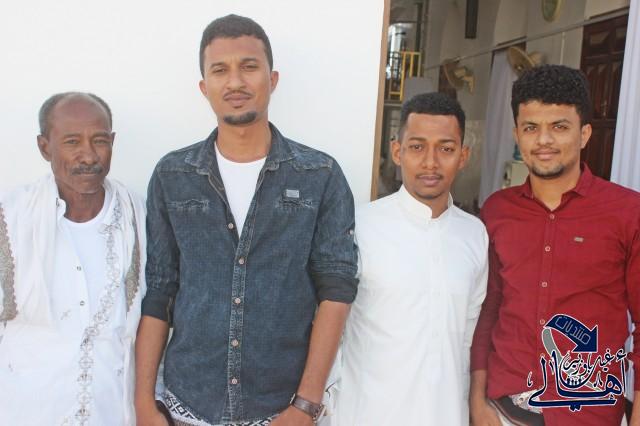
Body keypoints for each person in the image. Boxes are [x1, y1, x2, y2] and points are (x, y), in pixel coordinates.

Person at [134, 14, 358, 426]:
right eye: (220, 70)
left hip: (282, 410)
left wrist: (306, 405)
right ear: (204, 87)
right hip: (189, 406)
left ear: (272, 79)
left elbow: (336, 291)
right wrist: (144, 402)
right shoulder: (173, 175)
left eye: (249, 67)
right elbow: (160, 291)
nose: (235, 82)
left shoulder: (319, 175)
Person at [470, 65, 640, 426]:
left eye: (559, 127)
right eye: (531, 128)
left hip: (589, 411)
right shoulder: (497, 211)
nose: (543, 140)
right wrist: (477, 401)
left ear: (584, 134)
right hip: (504, 409)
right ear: (517, 134)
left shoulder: (627, 213)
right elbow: (488, 309)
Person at [335, 92, 488, 425]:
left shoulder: (474, 234)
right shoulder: (358, 226)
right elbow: (332, 331)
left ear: (463, 156)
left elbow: (467, 339)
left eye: (446, 149)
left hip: (446, 415)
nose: (430, 162)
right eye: (417, 147)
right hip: (367, 415)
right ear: (397, 151)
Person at [0, 92, 146, 425]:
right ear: (44, 147)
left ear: (113, 142)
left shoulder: (137, 217)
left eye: (99, 141)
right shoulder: (10, 220)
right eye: (72, 142)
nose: (89, 155)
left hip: (111, 413)